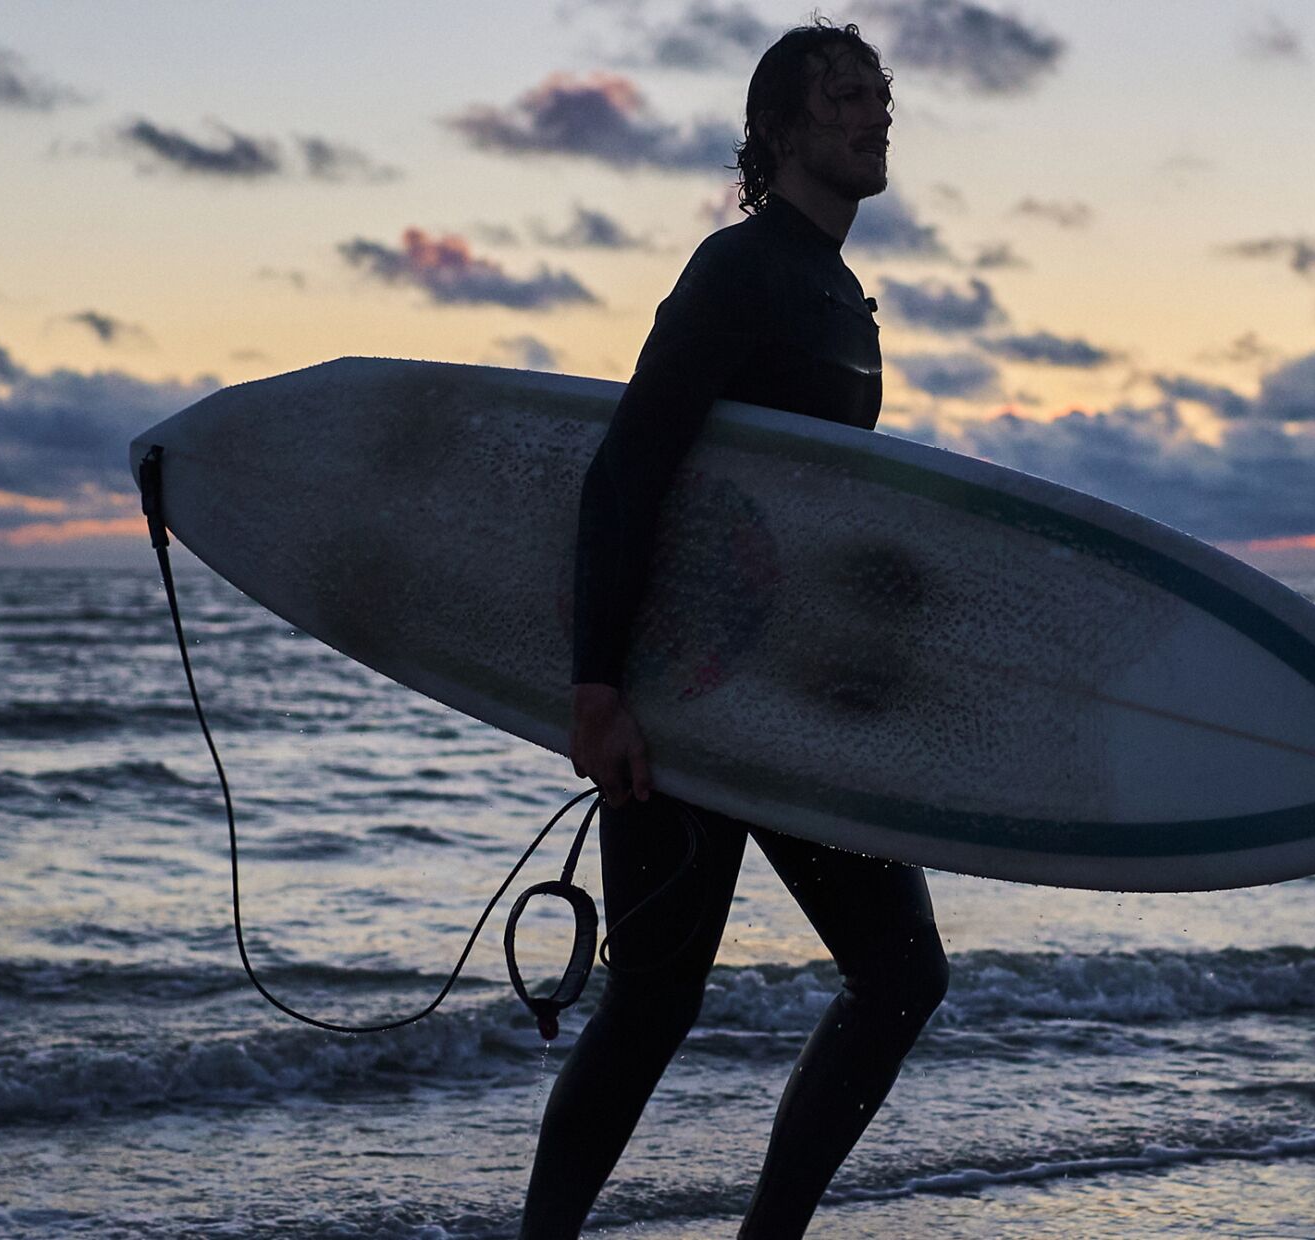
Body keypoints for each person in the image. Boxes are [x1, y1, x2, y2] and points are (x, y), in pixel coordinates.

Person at [522, 20, 949, 1240]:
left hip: (791, 701)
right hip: (687, 699)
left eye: (879, 94)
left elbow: (806, 516)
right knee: (655, 1000)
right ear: (775, 128)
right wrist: (598, 689)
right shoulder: (739, 271)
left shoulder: (842, 300)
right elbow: (627, 470)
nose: (875, 114)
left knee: (901, 975)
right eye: (845, 94)